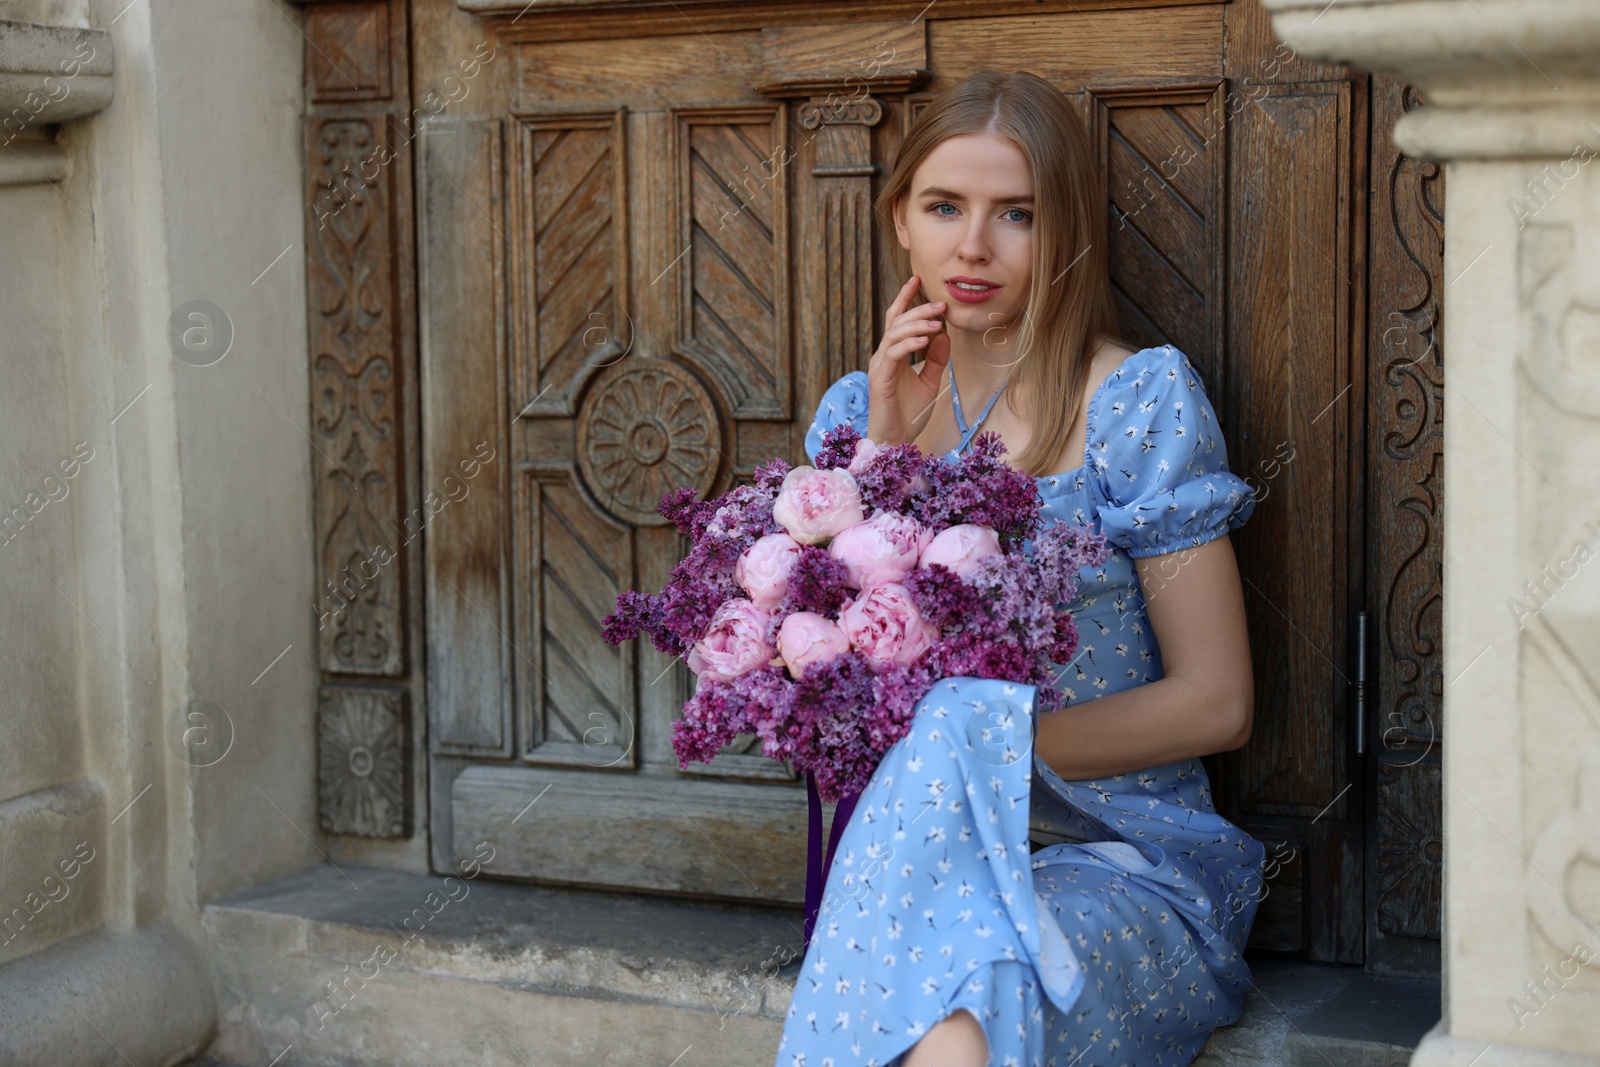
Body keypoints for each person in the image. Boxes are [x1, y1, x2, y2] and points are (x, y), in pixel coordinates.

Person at [773, 70, 1267, 1067]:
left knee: (960, 1030)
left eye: (1017, 214)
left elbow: (1217, 703)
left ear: (1066, 232)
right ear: (899, 220)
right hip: (916, 859)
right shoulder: (850, 411)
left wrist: (977, 746)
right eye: (944, 206)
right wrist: (882, 456)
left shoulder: (1136, 401)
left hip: (1119, 856)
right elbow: (834, 692)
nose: (973, 245)